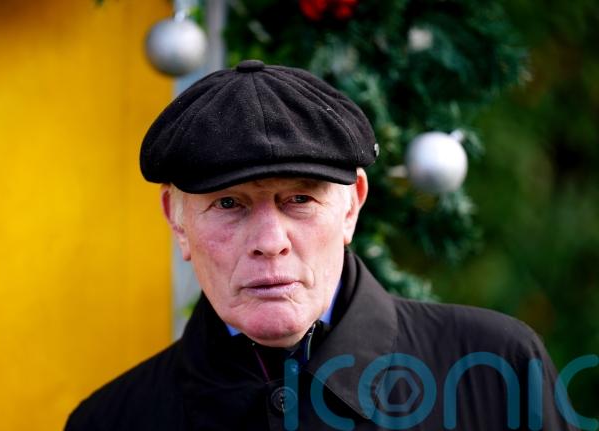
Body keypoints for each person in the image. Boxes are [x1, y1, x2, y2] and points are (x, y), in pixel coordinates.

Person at [65, 60, 577, 430]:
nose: (270, 243)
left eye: (299, 199)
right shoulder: (111, 421)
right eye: (229, 204)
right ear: (176, 221)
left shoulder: (496, 371)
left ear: (352, 205)